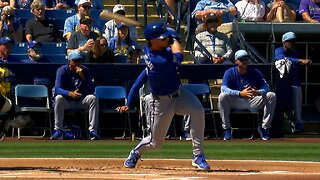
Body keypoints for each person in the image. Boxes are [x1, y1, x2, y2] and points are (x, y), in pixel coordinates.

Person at [117, 22, 210, 170]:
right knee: (155, 142)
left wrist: (166, 35)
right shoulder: (159, 60)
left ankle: (198, 155)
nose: (166, 40)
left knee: (198, 110)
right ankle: (135, 152)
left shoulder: (151, 47)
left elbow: (140, 80)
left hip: (179, 94)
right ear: (153, 41)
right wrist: (173, 38)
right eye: (163, 38)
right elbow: (179, 53)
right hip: (161, 102)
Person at [218, 49, 276, 140]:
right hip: (236, 100)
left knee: (271, 95)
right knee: (222, 96)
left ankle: (265, 128)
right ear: (236, 61)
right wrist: (240, 93)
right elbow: (223, 89)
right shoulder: (230, 72)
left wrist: (258, 92)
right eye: (242, 59)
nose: (245, 61)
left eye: (246, 59)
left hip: (252, 100)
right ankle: (227, 128)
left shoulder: (255, 71)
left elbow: (267, 87)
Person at [50, 50, 100, 140]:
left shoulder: (85, 71)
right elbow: (57, 89)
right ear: (69, 61)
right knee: (58, 98)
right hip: (67, 101)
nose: (78, 63)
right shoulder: (62, 70)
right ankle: (58, 130)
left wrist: (83, 77)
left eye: (79, 60)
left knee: (93, 98)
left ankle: (92, 130)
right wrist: (70, 93)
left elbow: (91, 89)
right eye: (75, 61)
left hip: (80, 101)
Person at [274, 32, 312, 132]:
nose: (293, 43)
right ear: (284, 42)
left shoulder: (294, 53)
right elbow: (281, 59)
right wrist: (300, 60)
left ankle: (298, 122)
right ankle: (282, 124)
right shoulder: (279, 50)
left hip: (294, 83)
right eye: (290, 41)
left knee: (297, 94)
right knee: (281, 105)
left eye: (294, 41)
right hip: (281, 84)